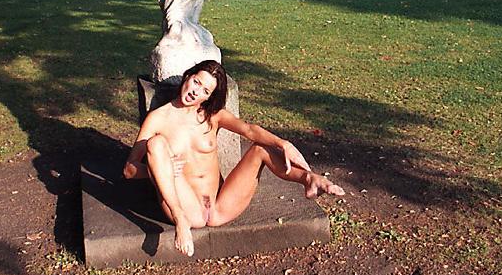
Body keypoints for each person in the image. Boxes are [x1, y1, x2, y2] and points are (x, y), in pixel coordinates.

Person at [124, 60, 345, 257]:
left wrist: (283, 143)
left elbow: (249, 130)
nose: (195, 92)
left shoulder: (212, 116)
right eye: (196, 82)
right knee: (156, 144)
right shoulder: (158, 118)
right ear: (188, 76)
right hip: (186, 209)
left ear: (209, 97)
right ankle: (181, 221)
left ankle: (308, 180)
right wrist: (159, 170)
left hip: (220, 207)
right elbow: (129, 170)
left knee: (260, 148)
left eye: (205, 91)